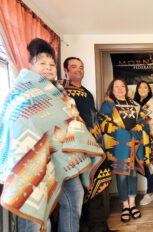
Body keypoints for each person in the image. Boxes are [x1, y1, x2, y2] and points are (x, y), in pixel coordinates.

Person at [0, 38, 104, 232]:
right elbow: (17, 126)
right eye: (42, 63)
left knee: (75, 196)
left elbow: (72, 122)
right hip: (30, 161)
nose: (48, 68)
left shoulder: (59, 93)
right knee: (35, 212)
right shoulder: (20, 93)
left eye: (51, 64)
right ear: (30, 64)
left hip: (61, 157)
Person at [60, 57, 112, 232]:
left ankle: (98, 225)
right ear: (66, 70)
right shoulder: (59, 89)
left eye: (81, 67)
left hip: (94, 145)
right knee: (77, 188)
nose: (79, 70)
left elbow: (93, 118)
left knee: (96, 180)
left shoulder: (87, 92)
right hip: (73, 146)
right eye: (74, 67)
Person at [98, 79, 148, 223]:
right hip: (118, 146)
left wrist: (137, 129)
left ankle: (132, 204)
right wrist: (122, 133)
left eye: (122, 86)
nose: (120, 89)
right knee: (121, 176)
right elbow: (103, 122)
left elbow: (142, 121)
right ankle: (125, 205)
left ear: (126, 89)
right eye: (116, 87)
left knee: (132, 174)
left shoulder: (133, 104)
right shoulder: (108, 105)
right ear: (112, 89)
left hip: (134, 144)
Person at [133, 81, 153, 206]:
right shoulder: (133, 103)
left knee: (148, 164)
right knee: (137, 163)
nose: (143, 89)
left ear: (149, 89)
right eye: (140, 87)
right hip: (137, 138)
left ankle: (150, 192)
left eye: (145, 87)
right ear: (137, 89)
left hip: (151, 138)